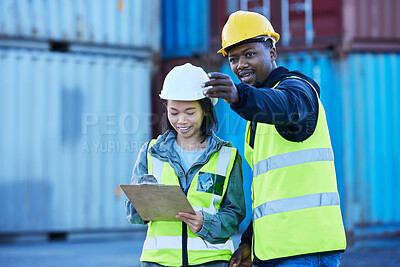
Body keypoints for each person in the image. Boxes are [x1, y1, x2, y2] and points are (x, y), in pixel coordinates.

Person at [202, 10, 347, 267]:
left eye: (250, 54)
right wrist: (250, 241)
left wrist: (239, 95)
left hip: (304, 250)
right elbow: (270, 191)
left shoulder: (297, 88)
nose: (241, 65)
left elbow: (287, 105)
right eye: (233, 59)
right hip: (277, 250)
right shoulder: (258, 115)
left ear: (272, 53)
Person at [125, 63, 246, 267]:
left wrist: (206, 223)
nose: (181, 120)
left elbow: (234, 216)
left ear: (206, 109)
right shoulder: (150, 153)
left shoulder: (227, 156)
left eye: (190, 112)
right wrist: (146, 202)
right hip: (159, 262)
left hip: (211, 261)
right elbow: (133, 215)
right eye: (174, 112)